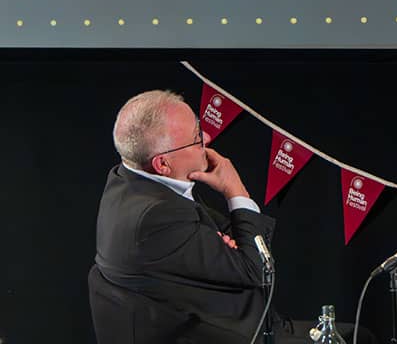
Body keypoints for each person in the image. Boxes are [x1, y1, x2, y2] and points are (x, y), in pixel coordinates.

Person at [88, 90, 373, 343]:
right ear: (163, 163)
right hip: (225, 330)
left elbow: (230, 235)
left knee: (358, 335)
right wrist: (234, 190)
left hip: (221, 315)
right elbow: (258, 269)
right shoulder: (156, 215)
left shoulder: (126, 180)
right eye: (197, 139)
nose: (208, 140)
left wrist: (228, 242)